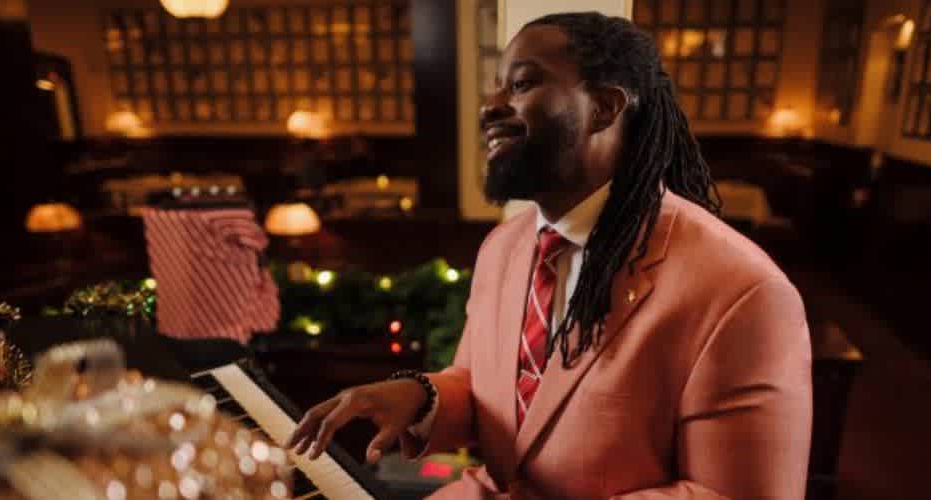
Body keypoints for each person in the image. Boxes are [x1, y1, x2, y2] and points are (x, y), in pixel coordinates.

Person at [287, 12, 812, 500]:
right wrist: (420, 398)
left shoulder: (744, 292)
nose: (490, 106)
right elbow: (492, 393)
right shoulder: (503, 248)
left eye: (521, 84)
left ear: (605, 107)